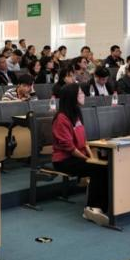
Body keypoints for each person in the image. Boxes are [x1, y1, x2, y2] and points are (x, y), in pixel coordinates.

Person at [50, 83, 110, 226]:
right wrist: (89, 159)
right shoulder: (61, 118)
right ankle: (91, 208)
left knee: (107, 164)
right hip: (64, 160)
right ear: (72, 97)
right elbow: (69, 148)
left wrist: (91, 156)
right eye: (80, 93)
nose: (84, 95)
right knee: (98, 168)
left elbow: (84, 142)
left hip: (77, 156)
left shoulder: (76, 114)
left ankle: (103, 206)